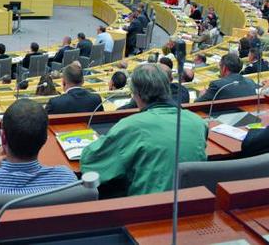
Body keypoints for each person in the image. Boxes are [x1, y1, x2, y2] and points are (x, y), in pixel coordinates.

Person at [80, 64, 206, 196]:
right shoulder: (198, 122)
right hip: (190, 204)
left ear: (136, 95)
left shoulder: (131, 126)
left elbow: (90, 162)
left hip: (148, 209)